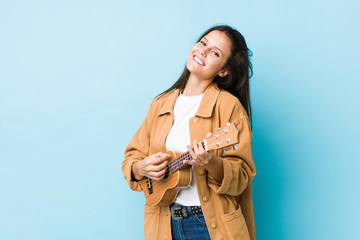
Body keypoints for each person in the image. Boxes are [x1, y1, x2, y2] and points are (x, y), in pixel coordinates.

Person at [122, 25, 256, 240]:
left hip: (209, 225)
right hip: (163, 224)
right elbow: (131, 160)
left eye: (215, 52)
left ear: (224, 70)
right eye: (203, 43)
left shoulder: (228, 106)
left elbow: (242, 177)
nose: (202, 51)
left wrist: (210, 162)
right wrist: (141, 167)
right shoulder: (160, 104)